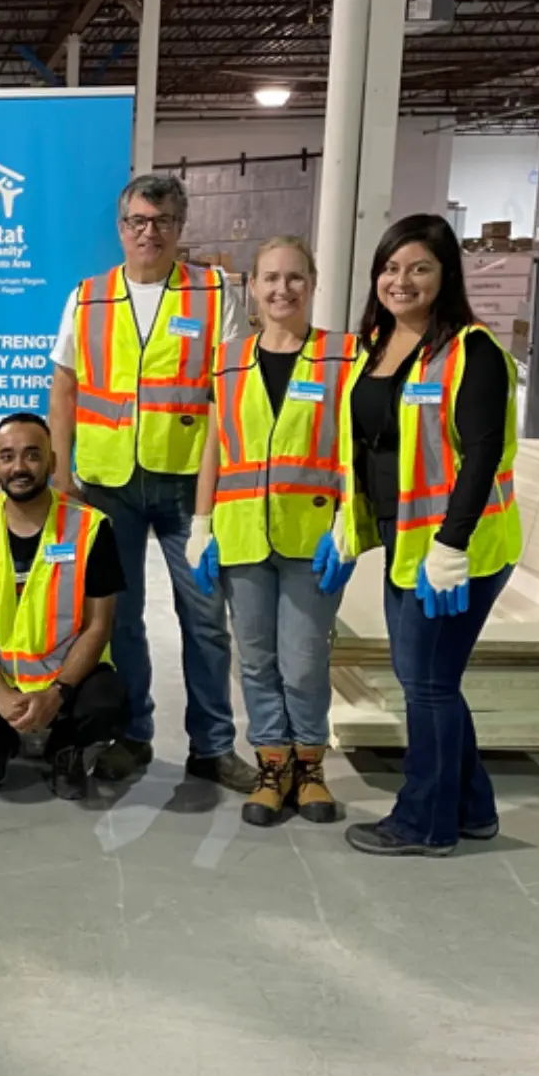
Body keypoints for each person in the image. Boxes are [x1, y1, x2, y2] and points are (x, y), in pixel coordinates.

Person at [319, 213, 521, 856]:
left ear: (445, 276)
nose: (400, 280)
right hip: (407, 544)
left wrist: (451, 546)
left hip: (457, 552)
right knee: (428, 679)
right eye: (390, 267)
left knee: (427, 683)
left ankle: (423, 822)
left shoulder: (473, 351)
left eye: (419, 268)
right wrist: (347, 523)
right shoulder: (375, 346)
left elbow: (483, 454)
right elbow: (373, 447)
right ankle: (471, 807)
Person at [48, 174, 254, 791]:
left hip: (190, 486)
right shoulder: (88, 297)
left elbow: (232, 396)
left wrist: (216, 498)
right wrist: (62, 475)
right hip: (110, 485)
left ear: (179, 227)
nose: (148, 232)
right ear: (120, 227)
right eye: (137, 220)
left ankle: (213, 746)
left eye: (161, 221)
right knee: (122, 619)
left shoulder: (214, 293)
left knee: (205, 621)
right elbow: (64, 388)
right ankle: (134, 736)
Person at [188, 237, 357, 827]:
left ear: (312, 283)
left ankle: (310, 767)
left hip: (313, 537)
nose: (282, 289)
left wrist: (346, 523)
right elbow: (213, 443)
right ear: (252, 288)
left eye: (294, 278)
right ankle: (272, 764)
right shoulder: (229, 358)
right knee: (256, 659)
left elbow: (357, 448)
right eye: (270, 279)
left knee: (305, 659)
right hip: (241, 537)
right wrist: (201, 522)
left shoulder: (344, 356)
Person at [0, 413, 129, 798]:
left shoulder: (91, 528)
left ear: (53, 462)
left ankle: (63, 748)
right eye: (7, 457)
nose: (19, 467)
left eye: (32, 455)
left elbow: (98, 626)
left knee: (110, 706)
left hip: (65, 672)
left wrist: (56, 694)